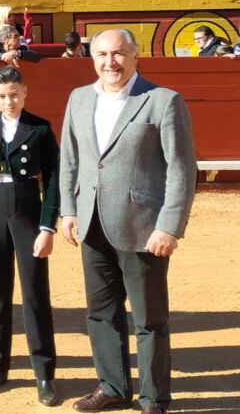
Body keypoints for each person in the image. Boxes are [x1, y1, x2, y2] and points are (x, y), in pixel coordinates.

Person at [59, 30, 197, 414]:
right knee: (100, 312)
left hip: (144, 228)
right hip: (91, 223)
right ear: (91, 57)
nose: (110, 62)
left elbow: (182, 169)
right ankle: (113, 385)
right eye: (101, 54)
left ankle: (153, 398)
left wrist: (169, 225)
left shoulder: (162, 101)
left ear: (136, 57)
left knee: (149, 319)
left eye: (119, 54)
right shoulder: (79, 98)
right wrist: (69, 210)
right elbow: (70, 160)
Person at [0, 66, 60, 406]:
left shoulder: (39, 127)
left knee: (35, 291)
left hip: (25, 206)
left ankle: (44, 373)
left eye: (15, 94)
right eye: (2, 96)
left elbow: (52, 181)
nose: (9, 101)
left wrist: (47, 227)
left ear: (25, 92)